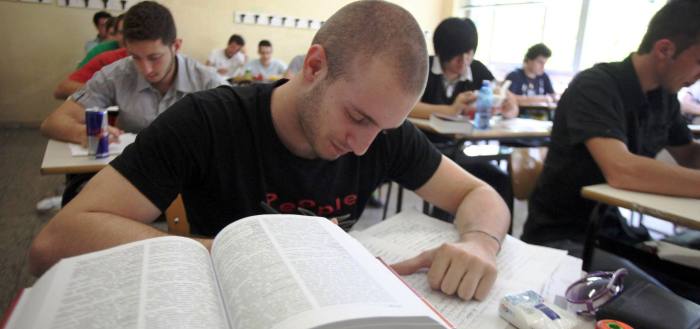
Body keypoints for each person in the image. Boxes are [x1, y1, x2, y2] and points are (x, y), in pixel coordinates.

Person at [30, 0, 510, 302]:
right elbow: (56, 241)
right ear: (316, 66)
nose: (363, 146)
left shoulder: (382, 133)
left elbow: (480, 196)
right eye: (358, 118)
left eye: (385, 128)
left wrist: (479, 244)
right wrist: (244, 254)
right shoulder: (207, 121)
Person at [522, 0, 700, 257]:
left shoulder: (664, 97)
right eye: (698, 61)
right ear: (665, 50)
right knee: (670, 290)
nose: (697, 76)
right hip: (562, 236)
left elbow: (688, 154)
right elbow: (622, 170)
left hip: (612, 230)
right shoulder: (595, 86)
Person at [40, 1, 227, 205]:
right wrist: (84, 133)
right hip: (134, 177)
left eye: (154, 57)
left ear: (176, 46)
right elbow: (53, 123)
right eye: (135, 57)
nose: (145, 69)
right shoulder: (117, 74)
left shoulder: (209, 82)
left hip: (190, 180)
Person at [409, 17, 518, 217]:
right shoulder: (423, 66)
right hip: (422, 147)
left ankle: (502, 242)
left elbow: (504, 94)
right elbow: (407, 106)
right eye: (457, 57)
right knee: (451, 184)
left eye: (469, 54)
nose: (464, 62)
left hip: (460, 148)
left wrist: (509, 107)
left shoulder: (476, 69)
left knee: (501, 178)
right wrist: (451, 109)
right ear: (441, 53)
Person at [54, 16, 127, 100]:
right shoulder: (104, 53)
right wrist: (106, 92)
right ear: (115, 35)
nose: (128, 38)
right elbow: (62, 89)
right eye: (122, 33)